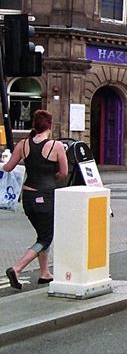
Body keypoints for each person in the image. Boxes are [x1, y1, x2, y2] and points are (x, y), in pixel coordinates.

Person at [3, 110, 68, 290]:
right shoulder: (56, 146)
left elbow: (8, 167)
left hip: (27, 197)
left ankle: (44, 273)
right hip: (45, 197)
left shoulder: (23, 144)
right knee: (46, 238)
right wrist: (51, 177)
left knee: (42, 234)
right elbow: (63, 173)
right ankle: (17, 269)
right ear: (50, 125)